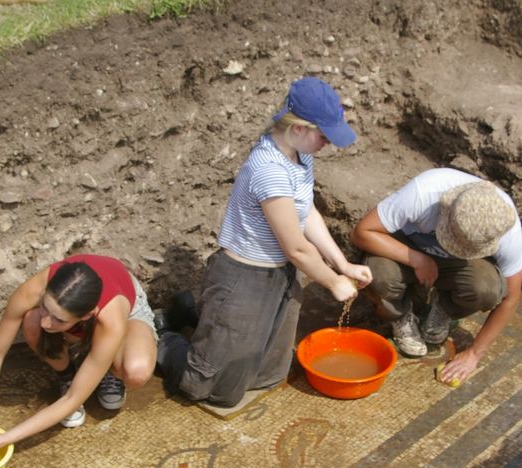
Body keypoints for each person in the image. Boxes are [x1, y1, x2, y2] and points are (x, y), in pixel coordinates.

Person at [157, 77, 372, 408]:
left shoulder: (302, 154)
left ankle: (199, 313)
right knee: (215, 391)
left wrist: (342, 263)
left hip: (283, 274)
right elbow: (297, 248)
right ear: (298, 127)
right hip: (244, 275)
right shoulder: (268, 168)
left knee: (269, 374)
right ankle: (163, 339)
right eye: (324, 134)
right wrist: (333, 282)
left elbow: (306, 211)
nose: (328, 142)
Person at [0, 253, 157, 464]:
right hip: (83, 312)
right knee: (31, 322)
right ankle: (68, 375)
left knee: (135, 371)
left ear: (88, 316)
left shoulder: (111, 320)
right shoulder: (33, 290)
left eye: (58, 319)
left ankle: (110, 370)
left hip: (125, 305)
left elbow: (73, 399)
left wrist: (5, 439)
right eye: (45, 306)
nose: (46, 322)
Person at [349, 168, 522, 386]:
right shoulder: (425, 193)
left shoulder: (503, 225)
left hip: (458, 266)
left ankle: (444, 308)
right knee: (379, 276)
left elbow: (511, 298)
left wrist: (474, 354)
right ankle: (400, 315)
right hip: (407, 247)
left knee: (486, 289)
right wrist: (416, 259)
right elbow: (361, 233)